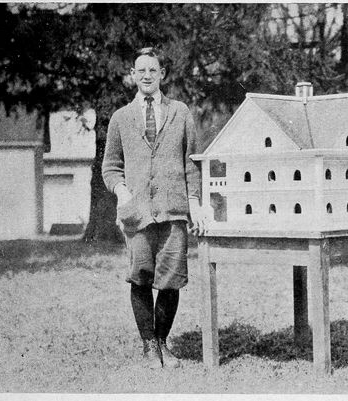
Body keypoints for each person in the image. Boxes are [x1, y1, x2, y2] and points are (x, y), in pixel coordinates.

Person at [102, 47, 208, 369]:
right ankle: (149, 346)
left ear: (162, 74)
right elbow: (110, 167)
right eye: (141, 70)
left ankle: (162, 343)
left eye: (153, 70)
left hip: (173, 211)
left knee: (171, 280)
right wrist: (122, 193)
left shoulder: (180, 112)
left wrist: (195, 204)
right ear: (132, 75)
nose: (147, 76)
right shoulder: (121, 118)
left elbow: (192, 165)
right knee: (140, 277)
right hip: (137, 213)